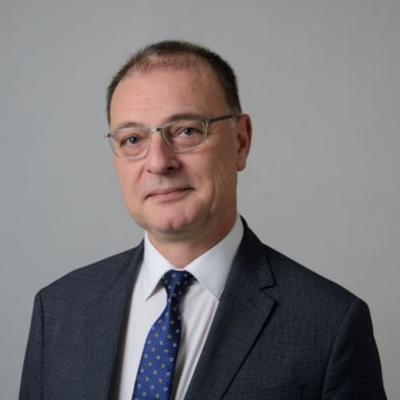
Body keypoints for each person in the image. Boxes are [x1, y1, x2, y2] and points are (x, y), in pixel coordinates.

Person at [19, 40, 387, 400]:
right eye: (133, 139)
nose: (159, 162)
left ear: (240, 142)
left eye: (187, 131)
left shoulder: (329, 325)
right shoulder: (59, 310)